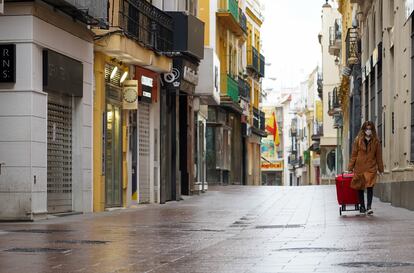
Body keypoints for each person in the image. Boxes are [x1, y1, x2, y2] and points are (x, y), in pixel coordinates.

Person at [348, 121, 384, 215]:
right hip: (359, 167)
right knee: (360, 187)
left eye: (370, 129)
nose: (368, 131)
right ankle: (362, 206)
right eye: (367, 129)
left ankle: (369, 207)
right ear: (363, 130)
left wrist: (381, 169)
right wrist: (350, 167)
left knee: (370, 186)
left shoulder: (376, 141)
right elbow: (354, 154)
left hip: (371, 167)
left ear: (372, 130)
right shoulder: (358, 140)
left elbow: (378, 156)